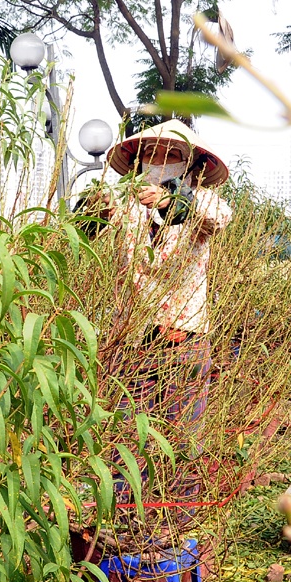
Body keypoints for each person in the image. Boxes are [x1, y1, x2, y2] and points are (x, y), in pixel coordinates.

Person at [102, 119, 233, 441]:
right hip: (131, 337)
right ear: (138, 161)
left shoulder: (203, 201)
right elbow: (87, 231)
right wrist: (94, 211)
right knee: (125, 437)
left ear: (191, 164)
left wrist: (174, 201)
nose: (160, 161)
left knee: (183, 438)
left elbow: (218, 219)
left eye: (172, 154)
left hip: (184, 339)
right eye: (151, 153)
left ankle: (184, 476)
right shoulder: (125, 204)